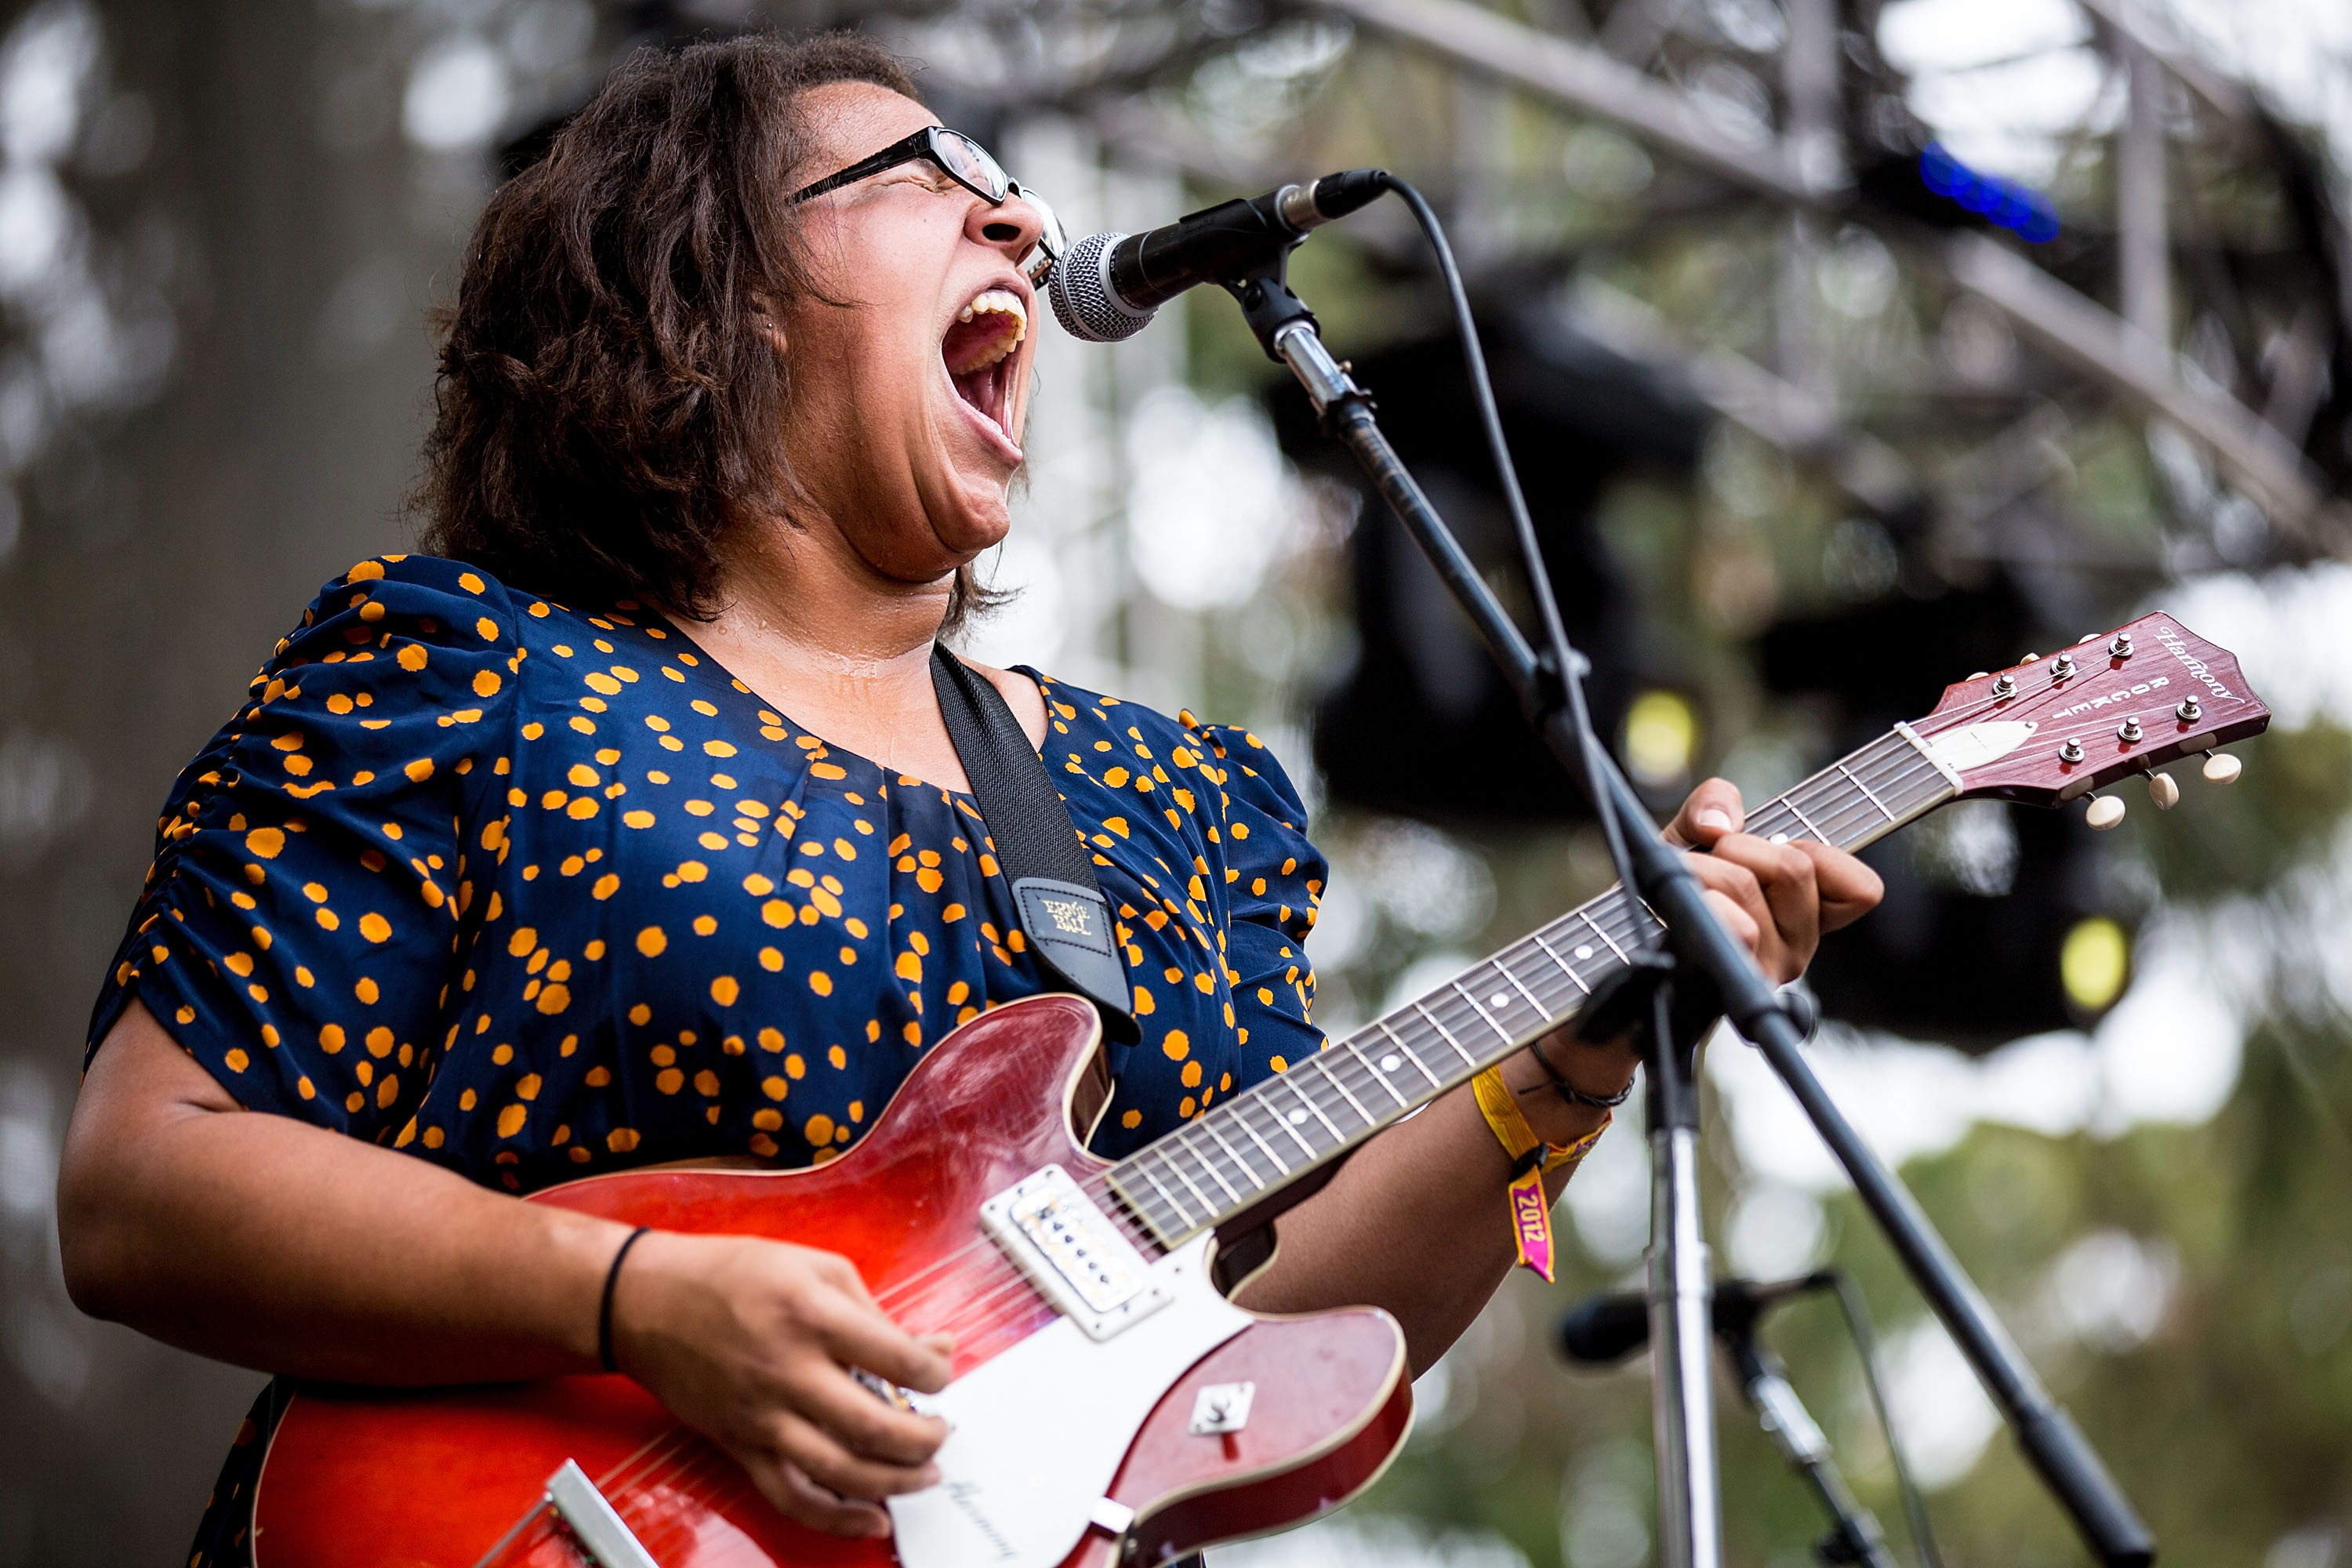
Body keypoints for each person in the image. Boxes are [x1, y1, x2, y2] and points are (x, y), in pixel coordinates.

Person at [55, 30, 1883, 1566]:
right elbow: (147, 1184)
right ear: (712, 288)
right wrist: (630, 1297)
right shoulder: (473, 666)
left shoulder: (1169, 797)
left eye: (1016, 183)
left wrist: (1563, 1078)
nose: (1019, 211)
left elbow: (1275, 1325)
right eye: (928, 172)